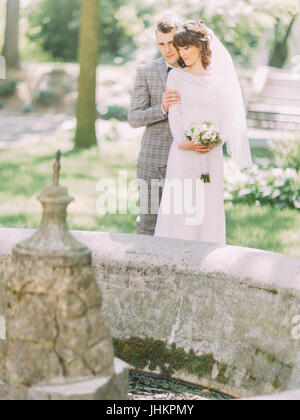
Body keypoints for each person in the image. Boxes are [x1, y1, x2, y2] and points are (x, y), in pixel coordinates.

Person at [154, 20, 253, 243]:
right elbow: (175, 115)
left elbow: (229, 116)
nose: (182, 53)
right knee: (181, 210)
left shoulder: (219, 79)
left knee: (208, 207)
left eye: (186, 47)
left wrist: (216, 140)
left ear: (200, 45)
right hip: (184, 154)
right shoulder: (177, 76)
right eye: (180, 49)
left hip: (211, 155)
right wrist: (184, 142)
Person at [128, 16, 184, 236]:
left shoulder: (195, 71)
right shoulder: (146, 72)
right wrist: (161, 109)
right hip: (152, 162)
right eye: (161, 44)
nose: (167, 49)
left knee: (182, 225)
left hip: (187, 161)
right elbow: (133, 118)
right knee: (148, 224)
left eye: (171, 43)